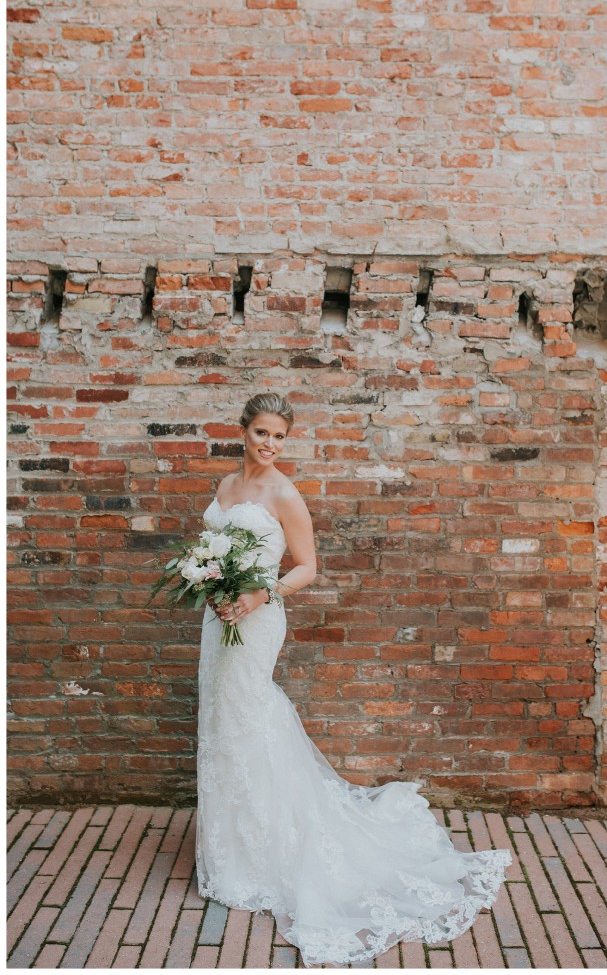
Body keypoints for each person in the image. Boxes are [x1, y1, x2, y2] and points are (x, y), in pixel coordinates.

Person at [195, 392, 513, 967]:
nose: (269, 444)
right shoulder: (224, 487)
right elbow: (211, 551)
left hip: (259, 617)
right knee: (220, 721)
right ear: (242, 431)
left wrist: (256, 594)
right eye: (261, 432)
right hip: (219, 622)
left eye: (279, 437)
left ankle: (275, 849)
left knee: (248, 717)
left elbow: (307, 567)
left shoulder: (284, 493)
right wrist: (214, 586)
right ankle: (235, 852)